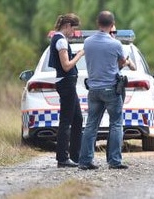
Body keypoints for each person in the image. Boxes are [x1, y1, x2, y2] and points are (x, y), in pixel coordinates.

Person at [78, 11, 128, 170]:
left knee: (91, 125)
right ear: (112, 24)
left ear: (97, 23)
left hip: (93, 89)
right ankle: (114, 161)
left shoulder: (87, 42)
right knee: (116, 124)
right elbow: (121, 62)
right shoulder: (115, 44)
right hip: (111, 89)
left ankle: (85, 161)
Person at [48, 13, 85, 168]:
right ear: (68, 25)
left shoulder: (57, 38)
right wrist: (79, 55)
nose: (73, 33)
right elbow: (66, 65)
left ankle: (75, 156)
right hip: (66, 84)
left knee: (77, 120)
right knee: (66, 121)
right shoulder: (61, 41)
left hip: (68, 84)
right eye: (73, 29)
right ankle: (62, 158)